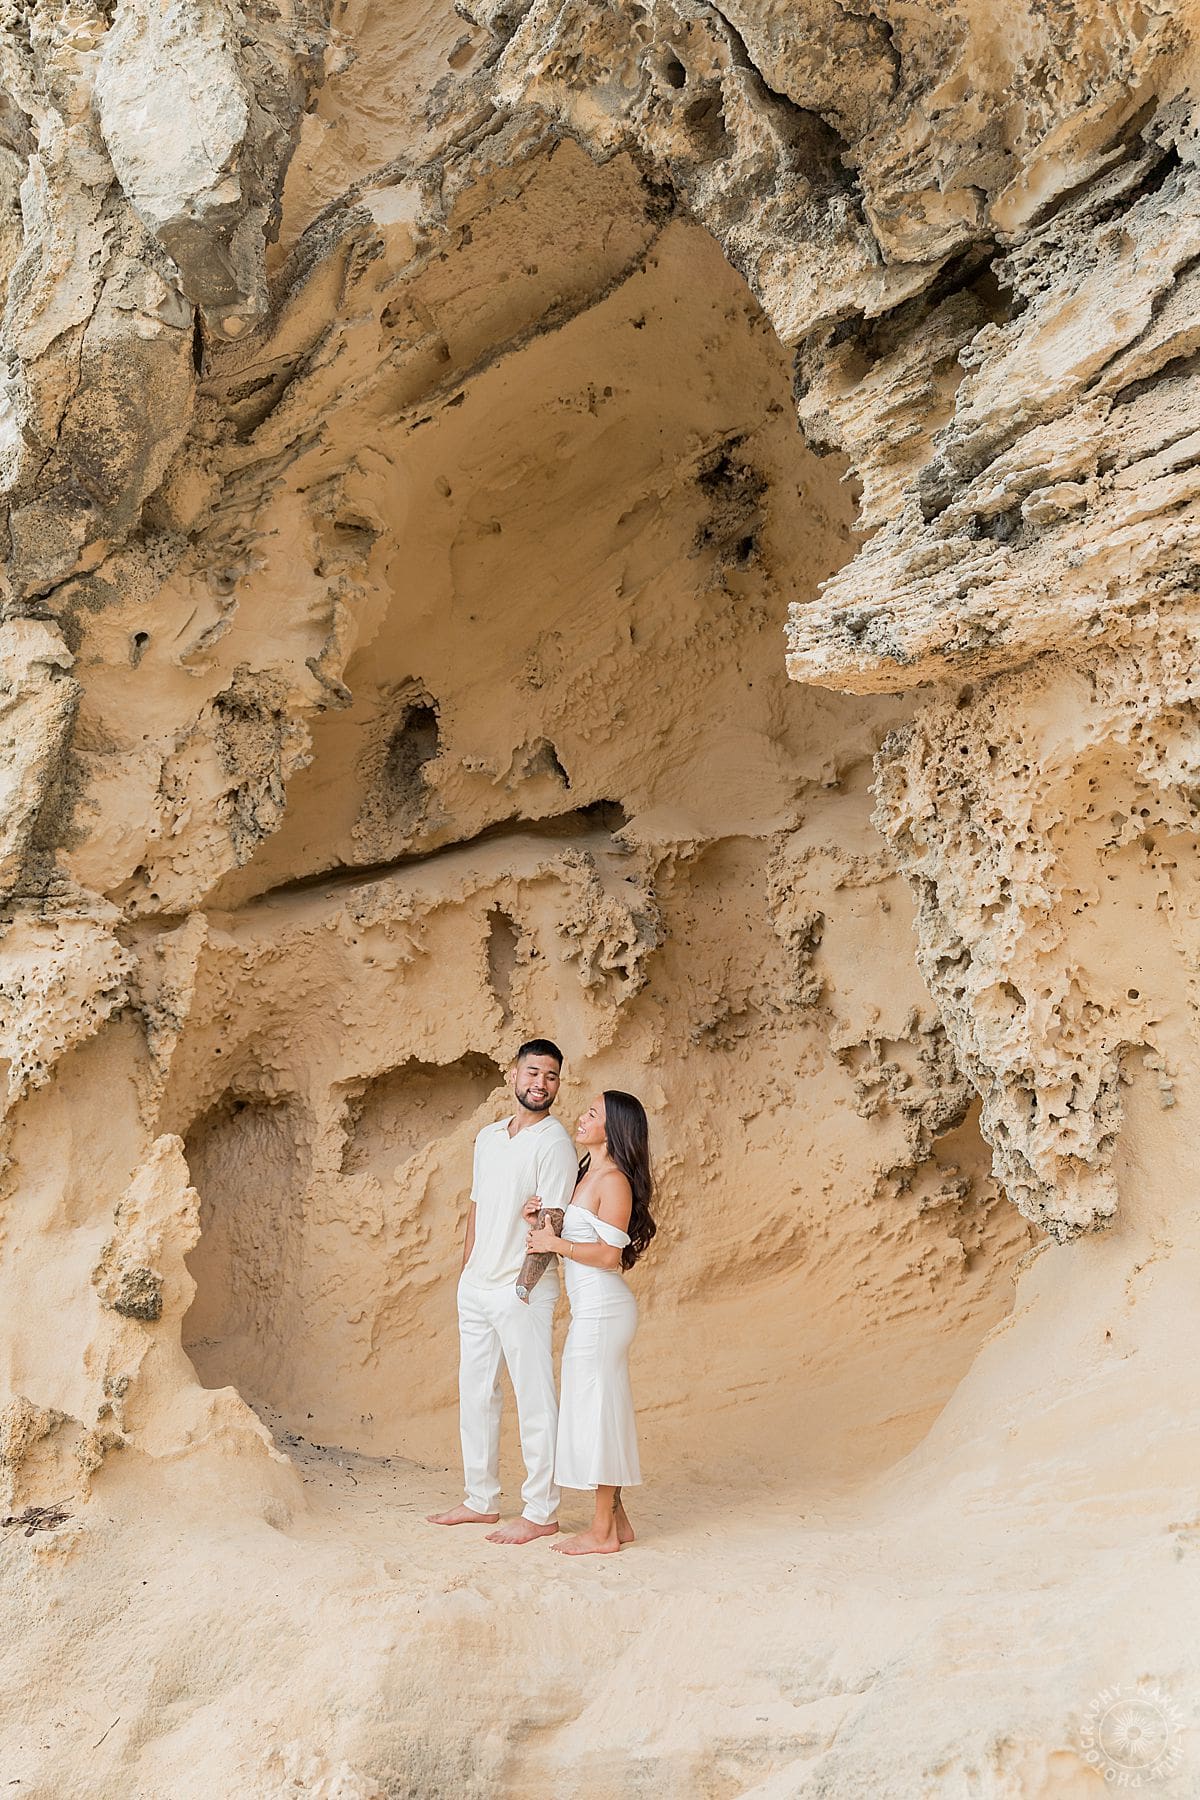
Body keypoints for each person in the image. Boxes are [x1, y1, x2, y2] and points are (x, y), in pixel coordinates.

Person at [427, 1039, 579, 1545]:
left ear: (558, 1084)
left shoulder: (554, 1141)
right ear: (514, 1074)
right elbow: (476, 1206)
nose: (540, 1083)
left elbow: (554, 1219)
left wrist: (522, 1284)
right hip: (476, 1286)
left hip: (522, 1291)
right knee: (476, 1392)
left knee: (535, 1397)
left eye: (551, 1076)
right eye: (533, 1072)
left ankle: (541, 1510)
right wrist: (467, 1269)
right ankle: (480, 1499)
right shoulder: (489, 1137)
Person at [523, 1090, 656, 1554]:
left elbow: (610, 1257)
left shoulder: (613, 1180)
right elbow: (574, 1233)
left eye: (593, 1113)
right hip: (592, 1311)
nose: (582, 1116)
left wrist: (556, 1247)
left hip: (603, 1310)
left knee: (598, 1413)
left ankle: (601, 1533)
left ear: (614, 1127)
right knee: (597, 1409)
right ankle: (618, 1523)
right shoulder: (587, 1172)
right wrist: (541, 1224)